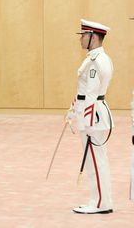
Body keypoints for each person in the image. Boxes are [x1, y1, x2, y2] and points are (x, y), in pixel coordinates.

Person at [67, 19, 114, 214]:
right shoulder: (95, 58)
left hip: (93, 117)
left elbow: (92, 95)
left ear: (93, 37)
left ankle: (101, 203)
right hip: (94, 114)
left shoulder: (96, 61)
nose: (80, 39)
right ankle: (99, 200)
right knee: (96, 160)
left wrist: (85, 122)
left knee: (95, 161)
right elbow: (83, 91)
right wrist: (72, 109)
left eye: (83, 36)